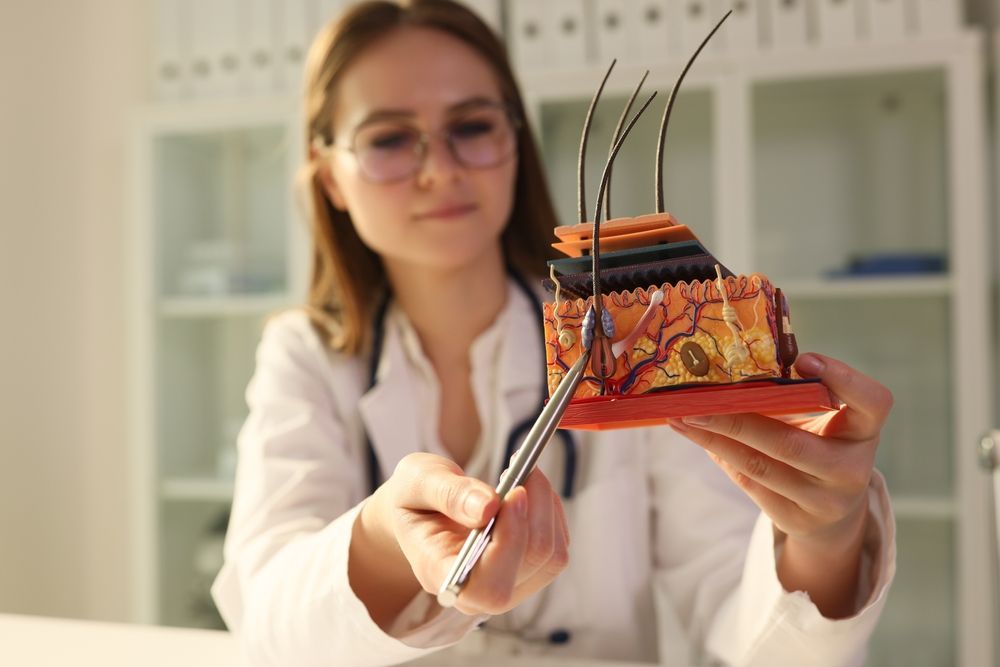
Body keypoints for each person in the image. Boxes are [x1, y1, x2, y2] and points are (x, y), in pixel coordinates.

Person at [211, 1, 896, 665]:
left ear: (515, 138)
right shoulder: (303, 357)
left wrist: (824, 541)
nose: (441, 169)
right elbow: (267, 622)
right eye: (389, 138)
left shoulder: (630, 337)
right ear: (329, 174)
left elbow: (743, 619)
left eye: (472, 126)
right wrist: (387, 540)